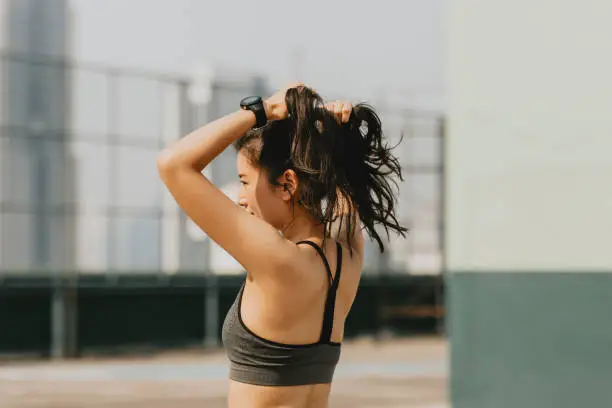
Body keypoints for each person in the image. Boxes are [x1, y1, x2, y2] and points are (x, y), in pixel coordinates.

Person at [156, 83, 407, 408]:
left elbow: (173, 164)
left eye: (245, 181)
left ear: (287, 183)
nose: (241, 198)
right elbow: (343, 179)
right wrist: (334, 132)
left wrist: (264, 111)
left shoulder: (279, 261)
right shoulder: (348, 253)